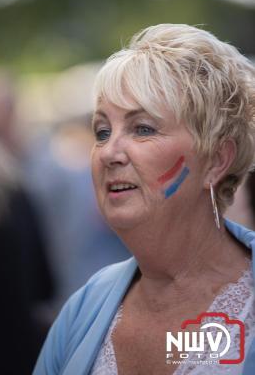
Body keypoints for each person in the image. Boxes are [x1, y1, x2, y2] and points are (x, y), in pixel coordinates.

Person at [33, 24, 255, 375]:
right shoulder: (83, 309)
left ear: (216, 160)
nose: (109, 153)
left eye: (143, 129)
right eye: (102, 132)